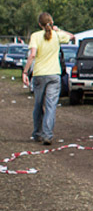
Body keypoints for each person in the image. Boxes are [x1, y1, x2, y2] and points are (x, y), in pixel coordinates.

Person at [22, 12, 75, 145]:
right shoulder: (56, 35)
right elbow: (71, 36)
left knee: (38, 104)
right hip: (54, 74)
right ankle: (48, 134)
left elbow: (32, 55)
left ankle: (37, 133)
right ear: (51, 23)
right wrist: (58, 29)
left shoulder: (35, 36)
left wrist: (25, 72)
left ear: (39, 24)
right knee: (51, 106)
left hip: (39, 74)